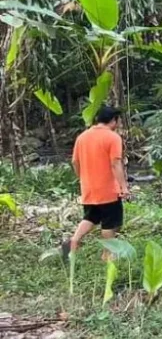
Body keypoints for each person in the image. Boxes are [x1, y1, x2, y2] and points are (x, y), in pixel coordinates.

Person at [62, 105, 132, 260]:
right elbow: (115, 164)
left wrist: (83, 178)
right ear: (113, 120)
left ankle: (73, 242)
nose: (119, 124)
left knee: (91, 217)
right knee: (109, 222)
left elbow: (74, 161)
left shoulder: (82, 137)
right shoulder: (113, 137)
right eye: (118, 120)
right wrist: (123, 187)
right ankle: (108, 253)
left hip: (88, 187)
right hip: (107, 189)